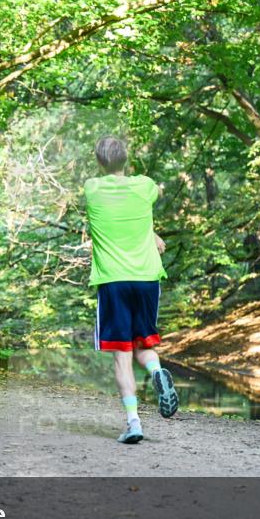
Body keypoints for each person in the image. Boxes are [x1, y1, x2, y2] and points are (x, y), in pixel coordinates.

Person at [83, 136, 178, 444]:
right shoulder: (145, 186)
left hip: (113, 281)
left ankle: (134, 423)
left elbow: (115, 210)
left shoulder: (92, 189)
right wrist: (151, 232)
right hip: (148, 278)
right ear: (127, 159)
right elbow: (141, 205)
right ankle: (156, 372)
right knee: (143, 345)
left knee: (122, 356)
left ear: (99, 162)